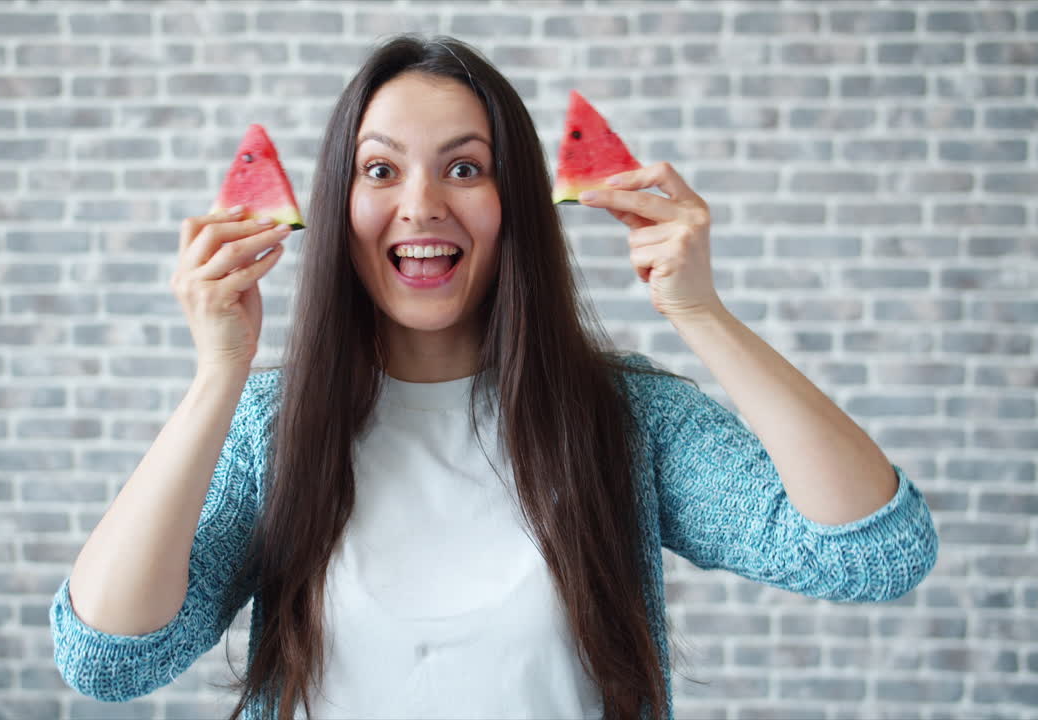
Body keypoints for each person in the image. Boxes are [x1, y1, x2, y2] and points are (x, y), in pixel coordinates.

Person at [50, 35, 938, 720]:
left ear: (515, 206)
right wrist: (218, 378)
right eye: (380, 169)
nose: (423, 203)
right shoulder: (273, 430)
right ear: (337, 206)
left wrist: (702, 314)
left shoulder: (622, 418)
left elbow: (870, 550)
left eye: (465, 168)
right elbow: (108, 660)